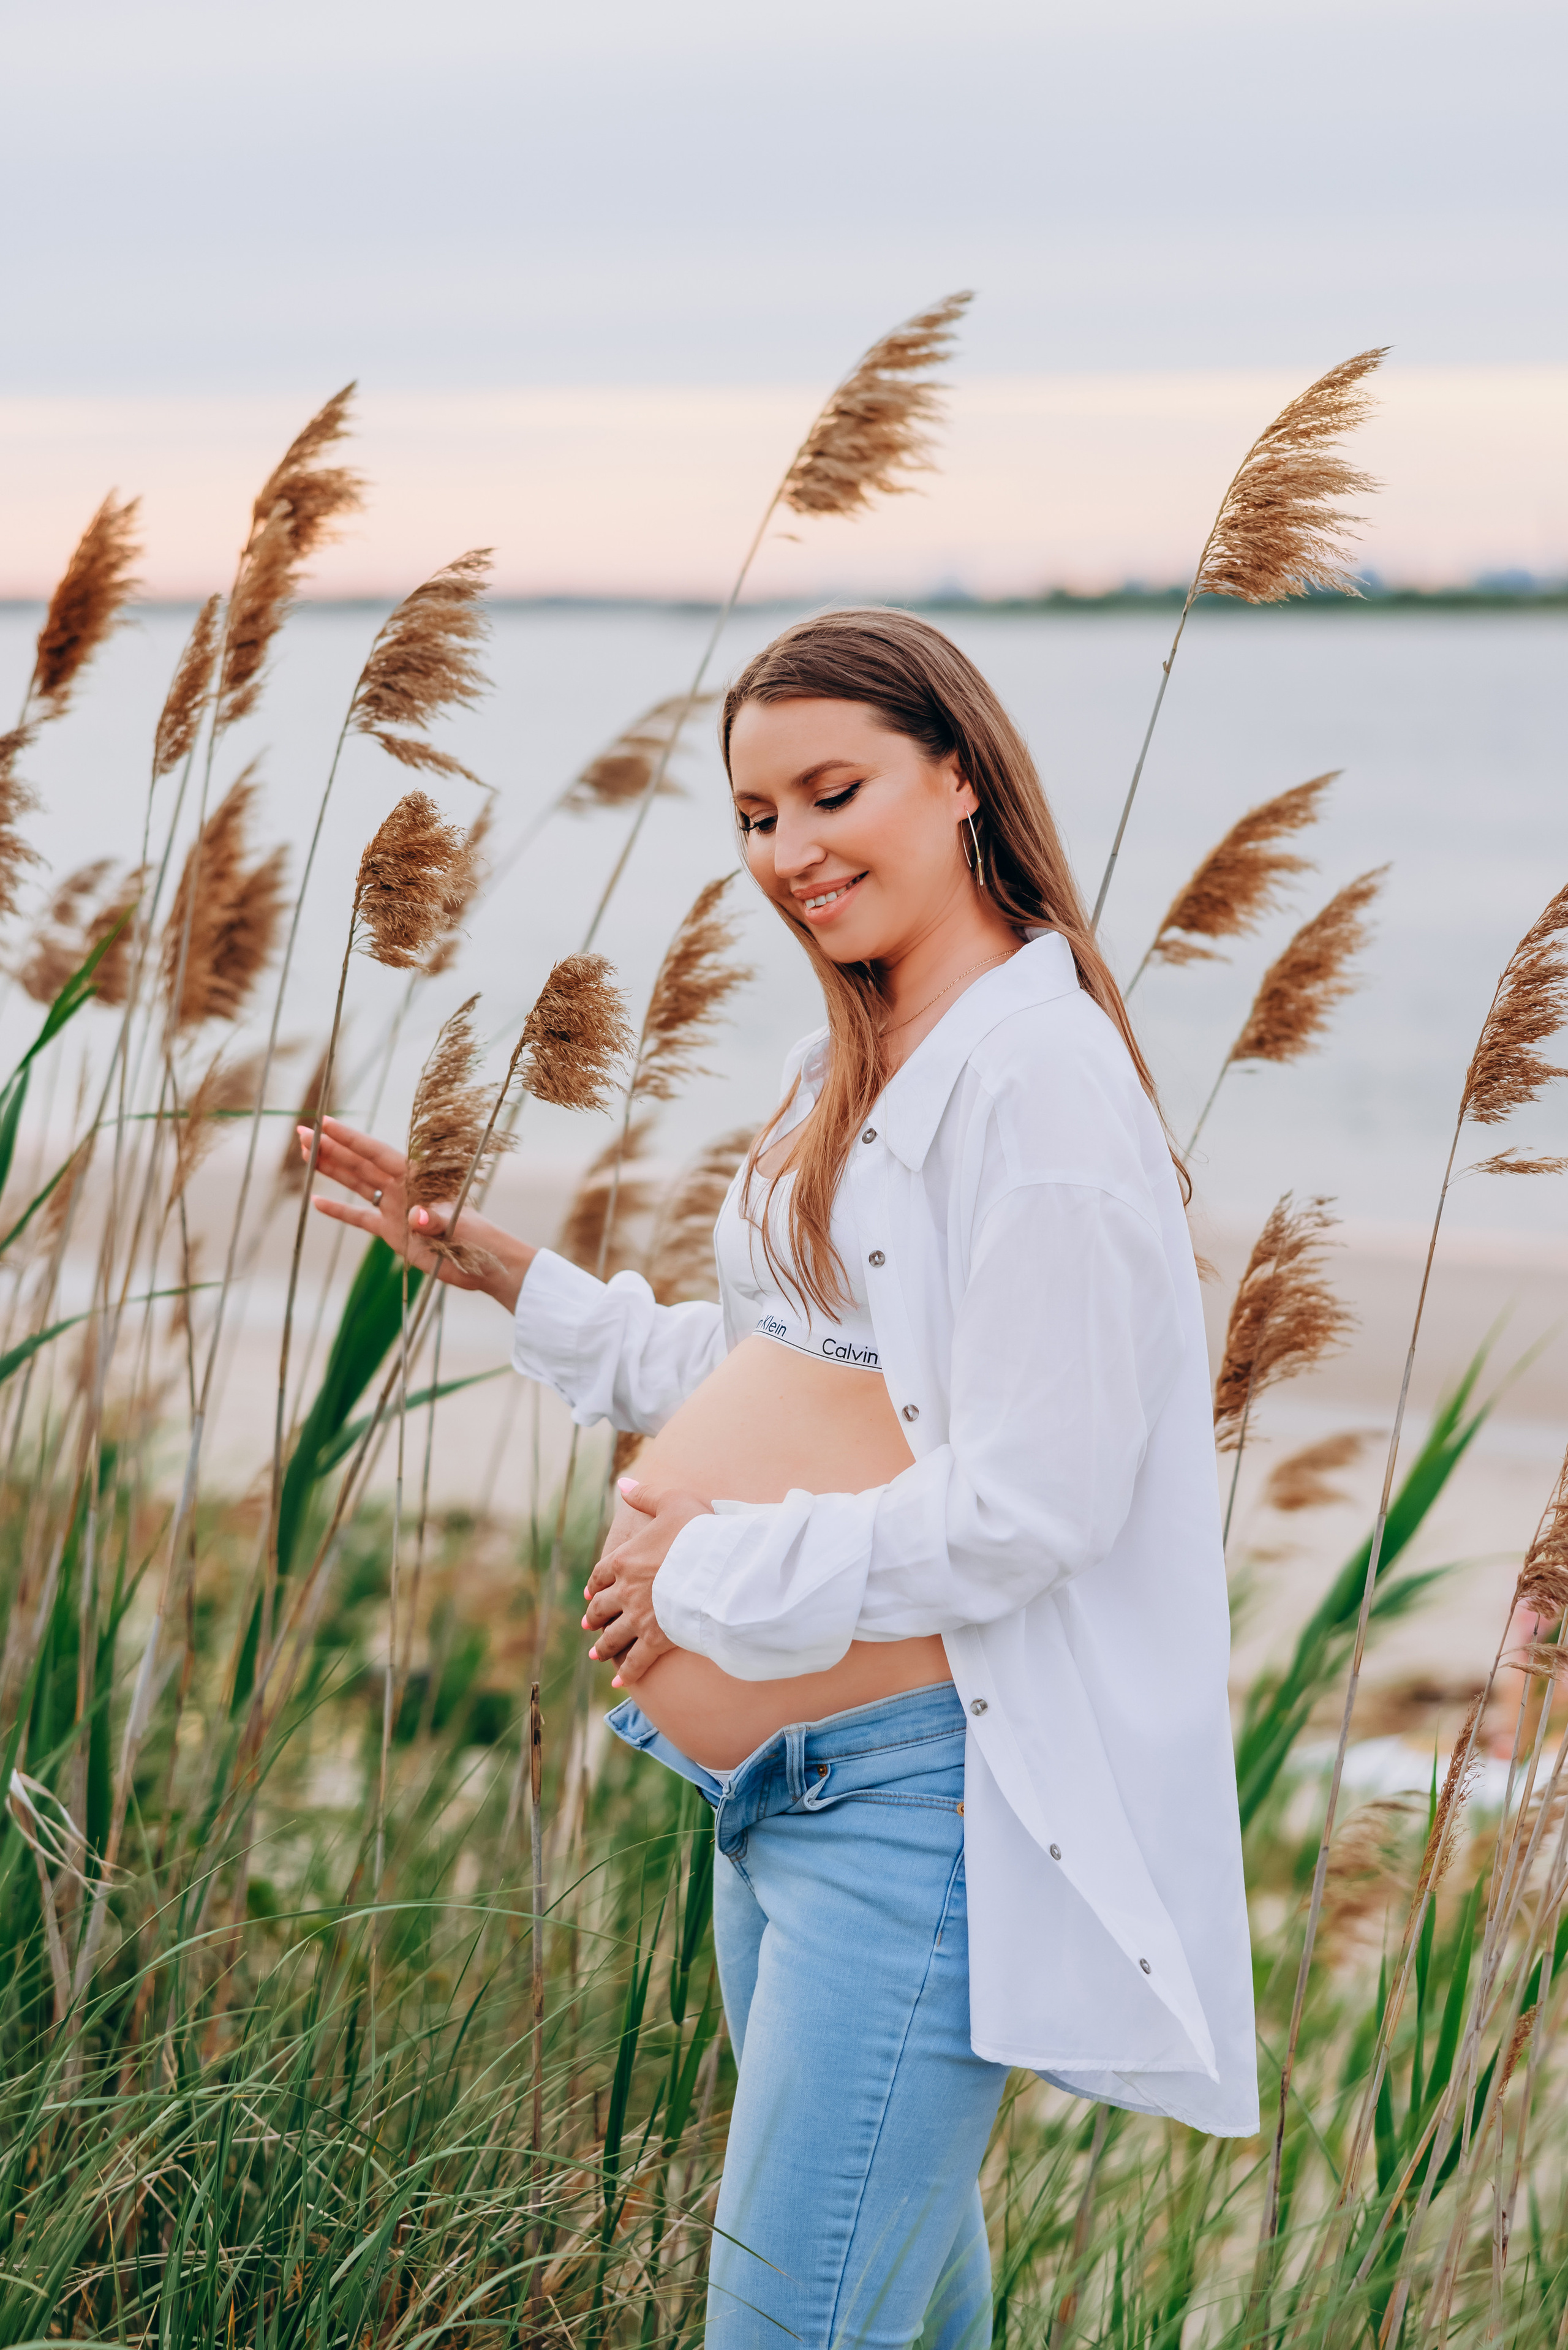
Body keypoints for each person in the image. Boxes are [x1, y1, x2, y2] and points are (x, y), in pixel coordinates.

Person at [306, 609, 1258, 2349]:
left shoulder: (1037, 1086)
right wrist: (520, 1280)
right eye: (754, 815)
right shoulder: (871, 1055)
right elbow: (805, 1374)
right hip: (799, 1802)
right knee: (893, 2318)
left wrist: (705, 1584)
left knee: (791, 2327)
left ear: (958, 774)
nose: (789, 853)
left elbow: (1039, 1502)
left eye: (833, 793)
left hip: (923, 1812)